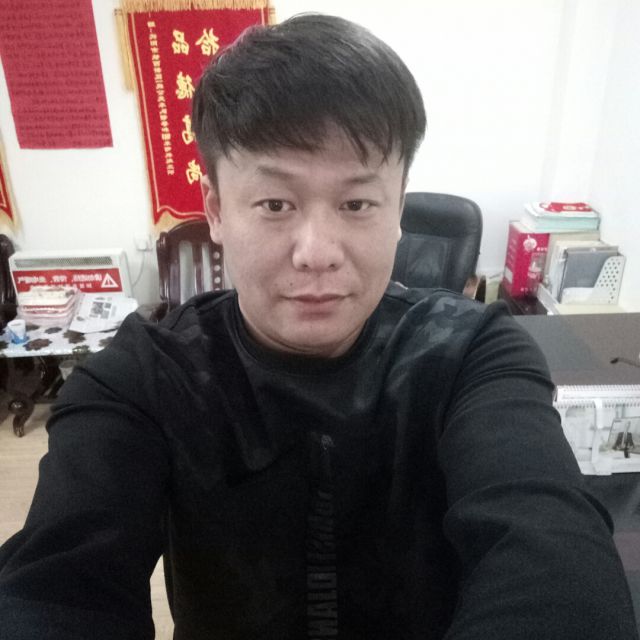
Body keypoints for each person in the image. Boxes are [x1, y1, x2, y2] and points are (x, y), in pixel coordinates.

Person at [0, 13, 637, 640]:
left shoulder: (473, 353)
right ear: (216, 211)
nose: (317, 252)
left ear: (397, 209)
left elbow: (554, 555)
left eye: (356, 203)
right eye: (275, 204)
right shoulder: (145, 375)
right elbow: (57, 587)